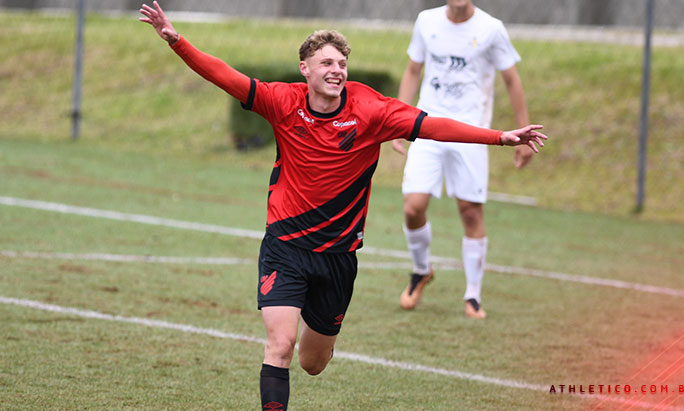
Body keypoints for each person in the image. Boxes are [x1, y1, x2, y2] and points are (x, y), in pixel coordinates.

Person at [139, 2, 546, 410]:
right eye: (327, 63)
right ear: (305, 69)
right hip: (285, 246)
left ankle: (322, 339)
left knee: (312, 363)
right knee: (280, 345)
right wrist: (176, 41)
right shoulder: (282, 102)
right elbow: (224, 76)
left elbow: (434, 125)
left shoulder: (371, 111)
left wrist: (499, 137)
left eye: (342, 63)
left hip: (338, 256)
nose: (337, 70)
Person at [392, 0, 532, 319]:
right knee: (413, 207)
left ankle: (473, 296)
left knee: (470, 212)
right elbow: (413, 70)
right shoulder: (426, 21)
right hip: (427, 127)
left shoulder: (491, 29)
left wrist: (522, 135)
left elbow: (512, 79)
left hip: (471, 133)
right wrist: (399, 121)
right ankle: (421, 271)